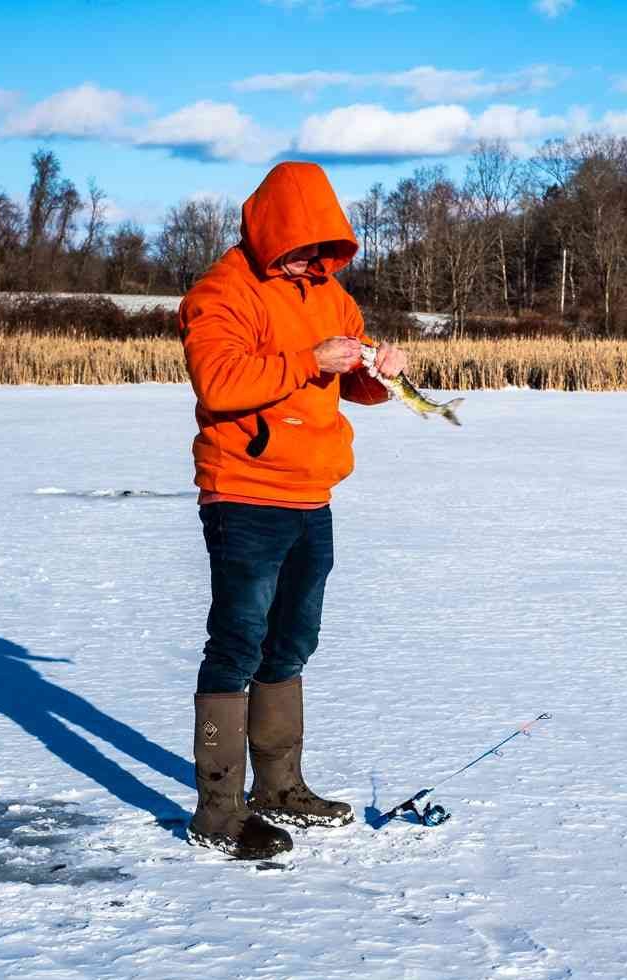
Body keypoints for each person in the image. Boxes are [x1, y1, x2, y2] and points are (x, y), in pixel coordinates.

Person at [178, 161, 407, 859]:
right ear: (273, 233)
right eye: (304, 248)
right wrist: (310, 358)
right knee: (237, 643)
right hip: (245, 491)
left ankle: (280, 788)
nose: (314, 261)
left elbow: (348, 384)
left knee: (291, 643)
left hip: (313, 493)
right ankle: (219, 810)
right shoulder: (221, 293)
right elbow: (219, 383)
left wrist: (379, 376)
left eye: (325, 249)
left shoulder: (332, 295)